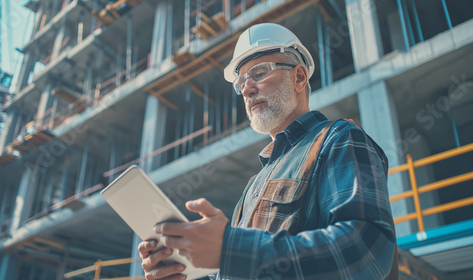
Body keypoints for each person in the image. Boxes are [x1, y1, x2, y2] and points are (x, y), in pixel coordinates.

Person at [139, 23, 398, 280]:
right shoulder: (255, 185)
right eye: (241, 84)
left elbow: (366, 250)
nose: (248, 90)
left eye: (259, 73)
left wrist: (231, 248)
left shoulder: (337, 140)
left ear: (299, 77)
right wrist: (180, 272)